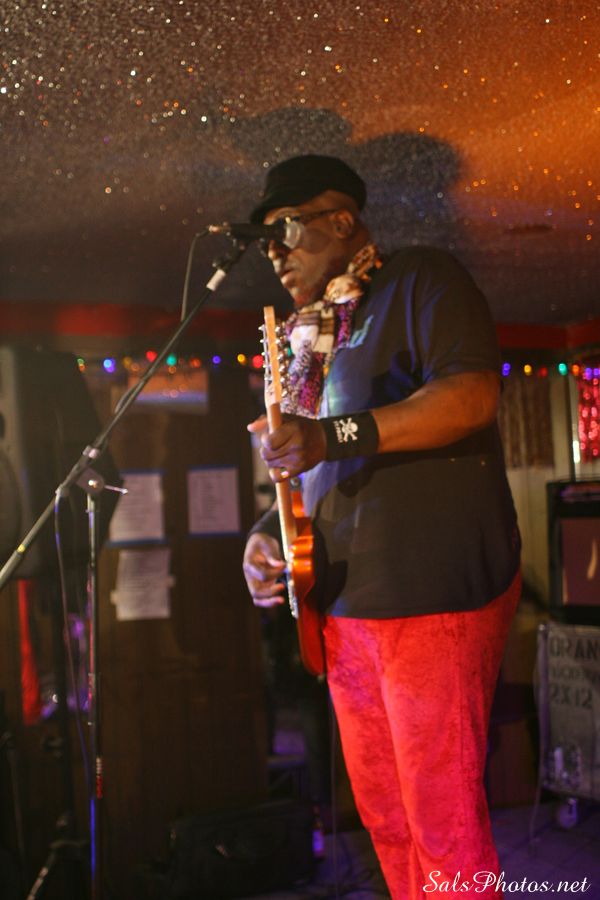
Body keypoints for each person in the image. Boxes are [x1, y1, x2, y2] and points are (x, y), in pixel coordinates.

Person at [242, 154, 521, 899]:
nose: (274, 253)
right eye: (265, 244)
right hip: (344, 609)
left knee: (442, 821)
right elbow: (308, 470)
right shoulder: (309, 340)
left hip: (428, 595)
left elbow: (470, 397)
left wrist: (328, 436)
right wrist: (267, 534)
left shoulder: (421, 277)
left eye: (285, 230)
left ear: (342, 220)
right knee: (386, 820)